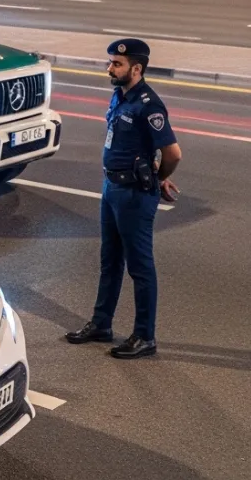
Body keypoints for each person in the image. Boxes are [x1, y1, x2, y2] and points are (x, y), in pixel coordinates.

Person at [66, 38, 182, 360]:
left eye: (116, 64)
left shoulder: (149, 104)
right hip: (111, 189)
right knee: (110, 262)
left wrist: (157, 179)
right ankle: (102, 323)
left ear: (136, 68)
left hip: (134, 195)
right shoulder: (119, 95)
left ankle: (145, 336)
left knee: (140, 268)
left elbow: (173, 153)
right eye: (110, 63)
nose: (109, 68)